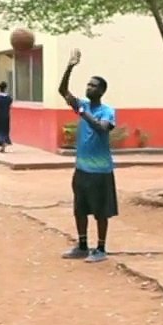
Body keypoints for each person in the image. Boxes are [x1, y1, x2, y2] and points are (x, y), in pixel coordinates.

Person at [57, 48, 118, 262]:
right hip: (82, 169)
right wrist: (70, 66)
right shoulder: (82, 105)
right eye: (88, 85)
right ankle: (82, 245)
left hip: (100, 171)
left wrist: (84, 114)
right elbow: (62, 90)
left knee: (101, 211)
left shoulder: (107, 111)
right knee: (80, 209)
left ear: (102, 91)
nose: (89, 88)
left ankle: (100, 248)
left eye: (94, 86)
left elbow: (102, 128)